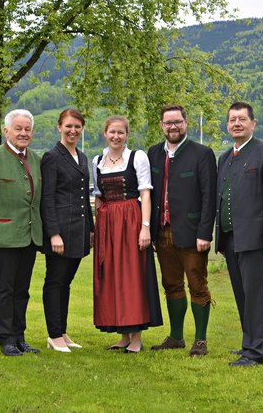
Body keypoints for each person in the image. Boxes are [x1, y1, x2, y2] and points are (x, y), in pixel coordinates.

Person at [215, 101, 263, 366]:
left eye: (242, 119)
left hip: (256, 239)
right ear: (228, 125)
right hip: (231, 237)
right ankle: (257, 342)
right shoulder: (224, 158)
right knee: (241, 293)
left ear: (253, 124)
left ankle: (253, 353)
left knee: (254, 294)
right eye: (232, 119)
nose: (236, 123)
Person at [147, 104, 217, 356]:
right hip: (162, 231)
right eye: (168, 123)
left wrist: (205, 233)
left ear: (186, 123)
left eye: (177, 122)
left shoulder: (202, 153)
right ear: (161, 126)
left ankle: (200, 340)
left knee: (197, 284)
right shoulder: (153, 153)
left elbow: (209, 197)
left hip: (191, 231)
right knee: (170, 284)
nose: (172, 127)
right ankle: (176, 336)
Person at [0, 109, 42, 356]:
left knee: (22, 291)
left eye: (27, 129)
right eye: (18, 129)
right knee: (5, 290)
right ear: (6, 131)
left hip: (30, 238)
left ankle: (20, 336)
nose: (23, 133)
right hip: (3, 237)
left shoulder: (36, 159)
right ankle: (6, 339)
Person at [92, 116, 163, 353]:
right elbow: (98, 197)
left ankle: (136, 338)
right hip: (108, 223)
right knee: (112, 275)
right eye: (112, 132)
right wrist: (97, 228)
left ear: (127, 135)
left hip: (131, 220)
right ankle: (123, 335)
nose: (116, 136)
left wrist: (145, 227)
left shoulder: (137, 157)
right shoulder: (97, 161)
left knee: (132, 276)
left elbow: (146, 194)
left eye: (121, 132)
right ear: (105, 133)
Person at [41, 108, 94, 353]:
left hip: (78, 230)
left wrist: (91, 230)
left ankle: (62, 331)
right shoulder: (52, 157)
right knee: (55, 281)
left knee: (66, 283)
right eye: (68, 126)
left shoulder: (82, 157)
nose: (73, 130)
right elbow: (47, 198)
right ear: (59, 127)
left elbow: (85, 197)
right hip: (60, 232)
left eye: (77, 126)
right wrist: (53, 233)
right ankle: (53, 335)